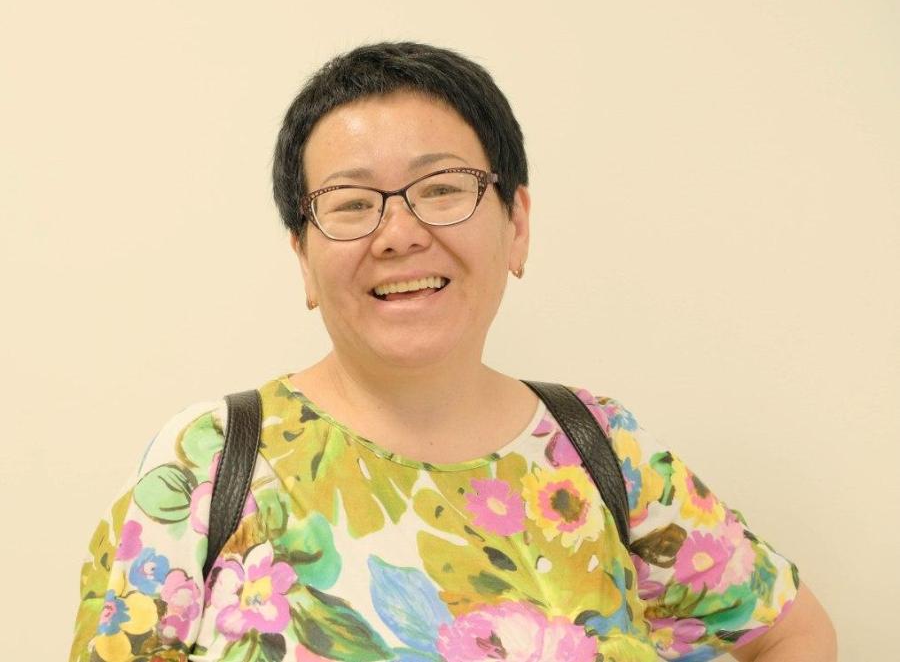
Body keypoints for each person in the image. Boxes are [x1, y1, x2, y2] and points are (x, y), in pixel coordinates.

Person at [70, 42, 836, 662]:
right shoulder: (206, 463)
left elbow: (792, 631)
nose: (399, 233)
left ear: (516, 224)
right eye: (352, 204)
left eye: (441, 189)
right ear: (303, 255)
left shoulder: (602, 449)